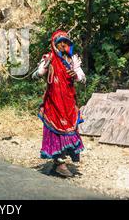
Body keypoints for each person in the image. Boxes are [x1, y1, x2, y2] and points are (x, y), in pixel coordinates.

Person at [33, 30, 86, 178]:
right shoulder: (49, 57)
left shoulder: (72, 59)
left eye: (66, 42)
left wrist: (75, 75)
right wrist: (45, 66)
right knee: (55, 129)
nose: (64, 45)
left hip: (68, 101)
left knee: (69, 128)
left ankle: (58, 163)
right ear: (55, 44)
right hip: (54, 101)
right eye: (61, 42)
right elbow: (38, 74)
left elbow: (82, 77)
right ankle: (59, 162)